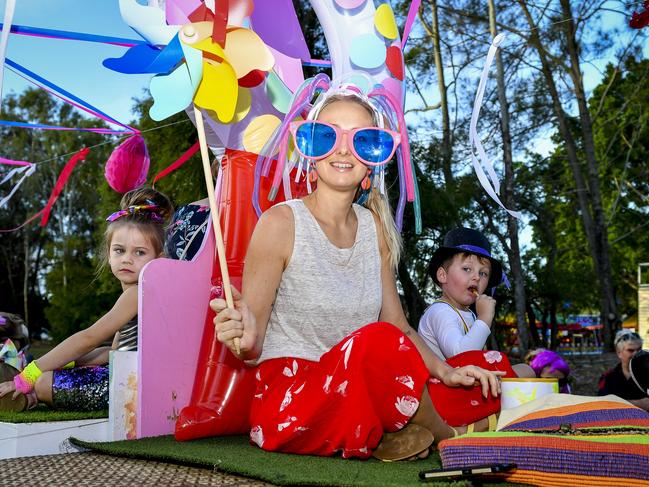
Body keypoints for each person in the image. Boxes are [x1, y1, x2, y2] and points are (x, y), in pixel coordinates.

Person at [211, 79, 504, 462]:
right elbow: (252, 347)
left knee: (485, 365)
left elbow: (400, 327)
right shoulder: (280, 224)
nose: (344, 149)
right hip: (291, 404)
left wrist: (444, 372)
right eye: (325, 136)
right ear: (307, 149)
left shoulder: (375, 230)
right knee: (376, 343)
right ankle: (446, 433)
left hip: (364, 387)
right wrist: (241, 336)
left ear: (375, 156)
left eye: (362, 139)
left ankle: (381, 430)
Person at [0, 187, 172, 412]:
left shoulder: (136, 293)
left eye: (139, 252)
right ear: (108, 253)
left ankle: (31, 393)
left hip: (134, 387)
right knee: (56, 371)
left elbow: (89, 337)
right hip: (129, 376)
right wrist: (68, 362)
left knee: (42, 381)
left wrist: (30, 374)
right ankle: (31, 395)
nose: (127, 259)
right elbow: (112, 353)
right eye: (119, 250)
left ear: (159, 259)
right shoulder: (134, 294)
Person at [598, 330, 649, 411]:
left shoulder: (647, 374)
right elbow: (602, 404)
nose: (636, 354)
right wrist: (639, 404)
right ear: (619, 353)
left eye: (639, 349)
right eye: (630, 350)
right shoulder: (608, 377)